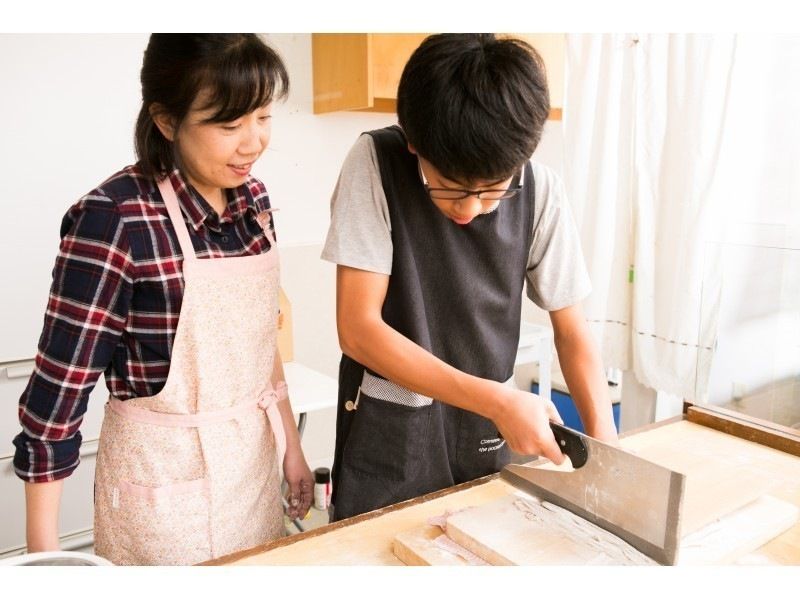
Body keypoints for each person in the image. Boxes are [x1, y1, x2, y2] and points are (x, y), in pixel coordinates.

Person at [12, 34, 313, 565]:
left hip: (253, 470)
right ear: (167, 121)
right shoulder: (114, 218)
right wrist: (44, 560)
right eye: (229, 125)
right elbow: (56, 400)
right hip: (163, 493)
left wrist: (292, 446)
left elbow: (257, 338)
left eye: (263, 117)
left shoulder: (255, 200)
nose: (253, 143)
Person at [321, 33, 618, 521]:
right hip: (390, 429)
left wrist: (607, 451)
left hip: (486, 433)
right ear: (416, 144)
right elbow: (358, 329)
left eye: (493, 191)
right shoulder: (375, 164)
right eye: (452, 187)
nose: (471, 208)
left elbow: (573, 331)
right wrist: (497, 400)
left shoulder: (540, 189)